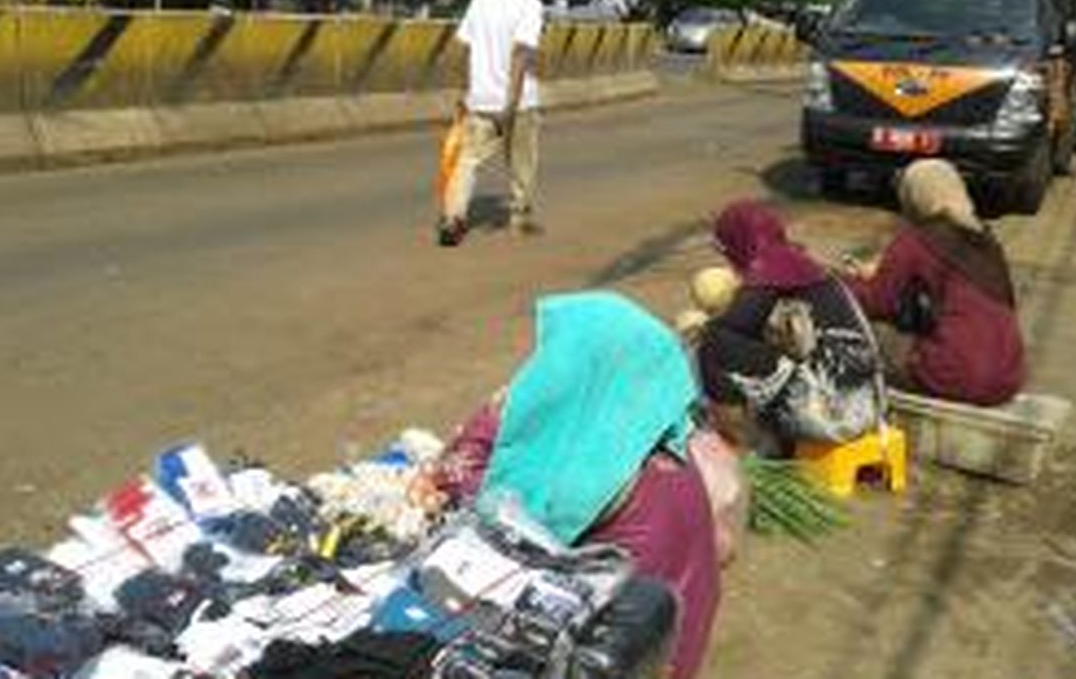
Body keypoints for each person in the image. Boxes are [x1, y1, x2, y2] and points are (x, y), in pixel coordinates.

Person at [413, 291, 719, 679]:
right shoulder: (653, 432)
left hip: (617, 648)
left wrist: (492, 417)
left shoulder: (584, 474)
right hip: (675, 635)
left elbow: (498, 510)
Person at [696, 200, 884, 453]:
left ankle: (735, 446)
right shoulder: (806, 270)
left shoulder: (767, 279)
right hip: (868, 405)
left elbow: (730, 328)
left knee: (714, 342)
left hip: (833, 418)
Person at [841, 159, 1025, 405]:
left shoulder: (916, 239)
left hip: (955, 376)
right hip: (1008, 378)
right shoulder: (985, 240)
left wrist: (837, 284)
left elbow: (877, 302)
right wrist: (882, 272)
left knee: (863, 348)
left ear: (913, 196)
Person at [437, 0, 545, 246]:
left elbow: (463, 46)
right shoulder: (530, 4)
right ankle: (519, 217)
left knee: (468, 160)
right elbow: (521, 53)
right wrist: (510, 104)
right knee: (522, 162)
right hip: (519, 102)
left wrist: (464, 91)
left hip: (481, 97)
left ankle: (453, 218)